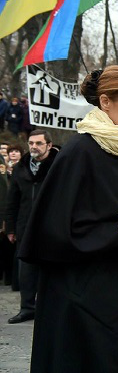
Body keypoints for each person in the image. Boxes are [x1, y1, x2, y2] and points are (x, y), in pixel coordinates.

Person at [18, 66, 118, 372]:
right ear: (105, 102)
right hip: (79, 299)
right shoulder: (80, 152)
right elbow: (58, 231)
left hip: (115, 292)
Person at [5, 130, 58, 324]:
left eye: (38, 143)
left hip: (51, 225)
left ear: (49, 145)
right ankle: (27, 308)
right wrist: (10, 228)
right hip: (25, 225)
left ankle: (50, 309)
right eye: (31, 143)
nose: (34, 147)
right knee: (26, 269)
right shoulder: (21, 167)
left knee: (51, 269)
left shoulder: (58, 166)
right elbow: (13, 200)